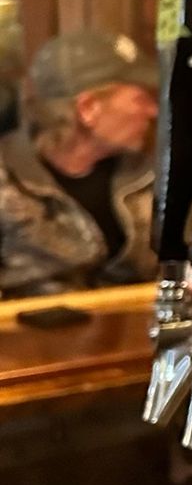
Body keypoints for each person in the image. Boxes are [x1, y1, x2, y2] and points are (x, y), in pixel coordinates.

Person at [0, 30, 158, 298]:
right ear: (88, 108)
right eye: (140, 99)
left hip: (138, 334)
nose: (153, 111)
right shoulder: (8, 176)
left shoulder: (151, 172)